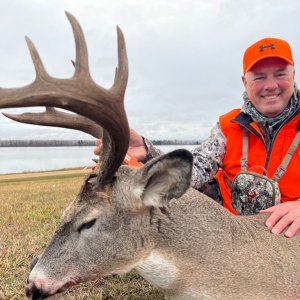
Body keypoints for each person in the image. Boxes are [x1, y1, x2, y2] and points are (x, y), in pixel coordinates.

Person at [95, 37, 300, 238]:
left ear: (293, 74)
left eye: (280, 74)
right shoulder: (229, 125)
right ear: (245, 82)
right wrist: (148, 154)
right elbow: (195, 169)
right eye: (259, 77)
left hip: (289, 236)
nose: (271, 85)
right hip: (235, 233)